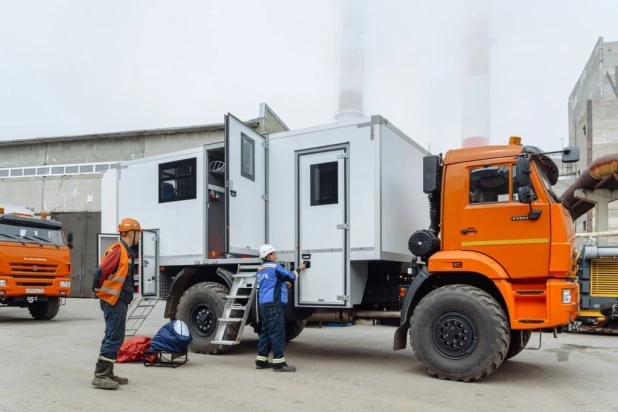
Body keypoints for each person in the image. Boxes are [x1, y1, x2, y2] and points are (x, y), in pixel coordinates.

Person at [91, 217, 141, 390]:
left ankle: (108, 372)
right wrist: (96, 289)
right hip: (113, 300)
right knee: (114, 337)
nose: (139, 238)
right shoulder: (118, 250)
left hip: (118, 300)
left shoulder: (125, 252)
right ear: (131, 233)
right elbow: (100, 272)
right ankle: (101, 375)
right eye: (138, 234)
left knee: (113, 336)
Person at [255, 244, 306, 372]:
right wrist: (299, 269)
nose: (276, 256)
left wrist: (283, 284)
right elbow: (291, 276)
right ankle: (279, 363)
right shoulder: (275, 267)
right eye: (274, 254)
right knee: (277, 333)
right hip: (274, 305)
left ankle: (261, 361)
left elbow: (271, 283)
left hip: (264, 305)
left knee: (265, 332)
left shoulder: (260, 269)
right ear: (269, 255)